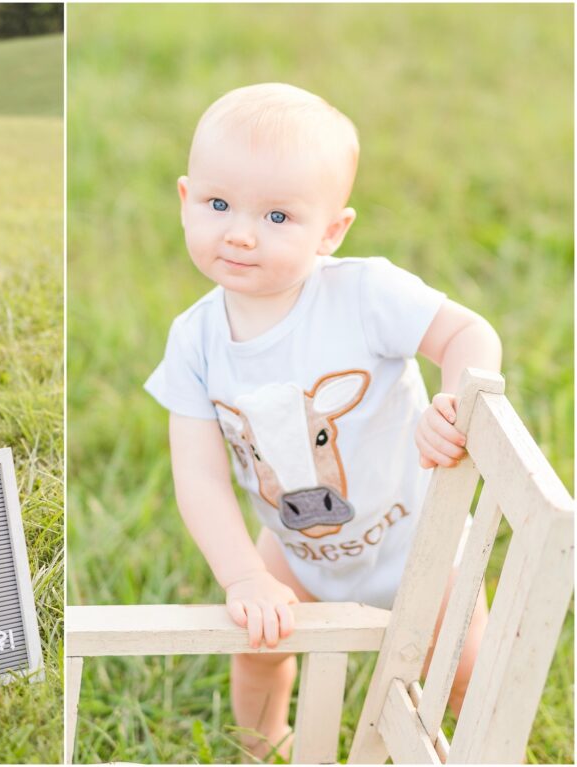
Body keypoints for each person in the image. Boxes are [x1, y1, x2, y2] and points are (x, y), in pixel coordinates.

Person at [144, 83, 501, 760]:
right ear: (186, 200)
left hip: (419, 538)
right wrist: (245, 574)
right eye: (219, 205)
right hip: (299, 551)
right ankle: (265, 745)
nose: (242, 232)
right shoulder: (194, 339)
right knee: (260, 651)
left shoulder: (364, 294)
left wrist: (456, 400)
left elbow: (468, 334)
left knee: (462, 667)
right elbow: (198, 474)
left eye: (278, 216)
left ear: (331, 230)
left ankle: (483, 748)